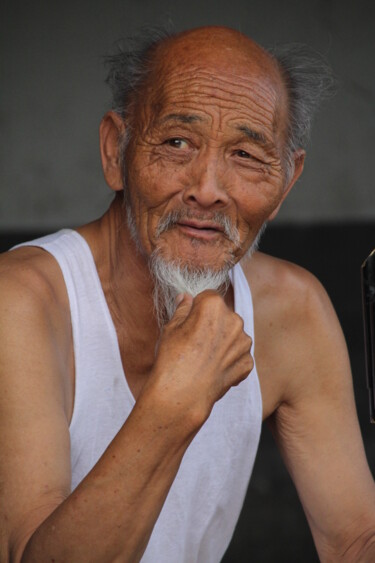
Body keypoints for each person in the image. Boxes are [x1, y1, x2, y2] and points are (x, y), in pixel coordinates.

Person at [1, 25, 374, 563]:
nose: (207, 188)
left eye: (246, 154)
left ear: (286, 183)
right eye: (177, 142)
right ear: (116, 151)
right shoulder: (22, 302)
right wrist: (173, 404)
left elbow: (355, 541)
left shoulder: (292, 311)